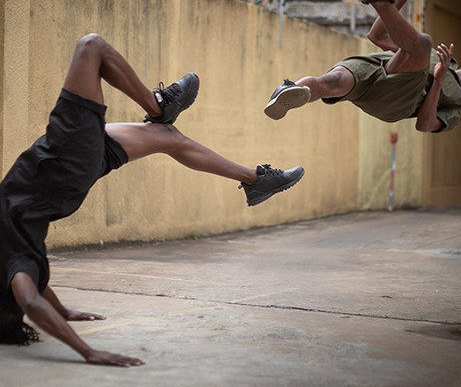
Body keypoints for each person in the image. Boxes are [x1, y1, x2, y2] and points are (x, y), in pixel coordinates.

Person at [0, 33, 304, 366]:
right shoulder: (16, 265)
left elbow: (36, 291)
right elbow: (30, 300)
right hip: (63, 157)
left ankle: (255, 181)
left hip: (64, 169)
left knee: (167, 137)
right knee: (91, 47)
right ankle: (159, 104)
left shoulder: (13, 264)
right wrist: (89, 352)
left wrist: (65, 311)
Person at [264, 0, 461, 133]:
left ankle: (380, 0)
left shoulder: (456, 108)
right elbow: (377, 36)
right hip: (378, 70)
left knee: (422, 43)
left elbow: (424, 125)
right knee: (331, 81)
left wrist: (439, 80)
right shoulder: (434, 57)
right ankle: (289, 91)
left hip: (395, 101)